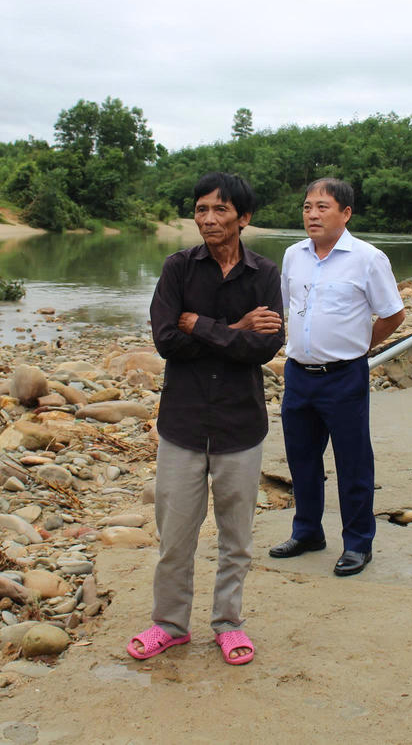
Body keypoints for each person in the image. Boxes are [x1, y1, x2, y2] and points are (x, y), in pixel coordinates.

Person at [128, 172, 284, 665]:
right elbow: (166, 341)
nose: (209, 220)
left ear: (244, 218)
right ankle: (169, 625)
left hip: (241, 425)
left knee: (236, 538)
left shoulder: (265, 274)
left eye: (220, 210)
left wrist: (204, 326)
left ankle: (228, 624)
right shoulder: (178, 269)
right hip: (183, 422)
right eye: (201, 210)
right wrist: (235, 328)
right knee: (175, 536)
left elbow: (265, 347)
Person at [270, 178, 405, 577]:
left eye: (322, 207)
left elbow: (394, 314)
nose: (312, 214)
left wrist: (360, 346)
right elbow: (285, 303)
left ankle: (358, 543)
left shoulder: (367, 258)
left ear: (345, 214)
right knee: (302, 458)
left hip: (343, 376)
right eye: (308, 206)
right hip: (297, 374)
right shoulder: (294, 254)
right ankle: (308, 531)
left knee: (352, 463)